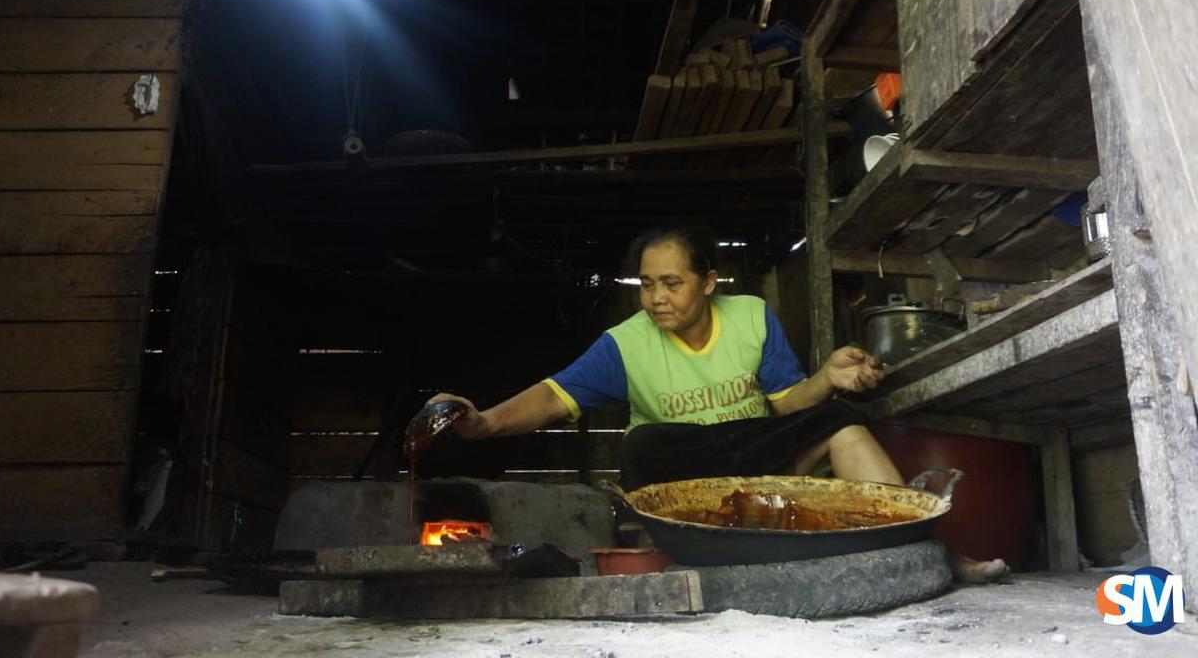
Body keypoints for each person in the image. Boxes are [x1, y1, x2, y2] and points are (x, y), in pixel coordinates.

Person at [428, 226, 1008, 583]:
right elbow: (551, 398)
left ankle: (931, 552)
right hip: (686, 476)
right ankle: (684, 552)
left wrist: (828, 378)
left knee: (839, 419)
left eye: (671, 283)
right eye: (647, 284)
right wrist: (482, 424)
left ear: (709, 281)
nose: (656, 298)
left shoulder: (751, 315)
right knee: (643, 443)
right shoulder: (625, 344)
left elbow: (784, 405)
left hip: (758, 453)